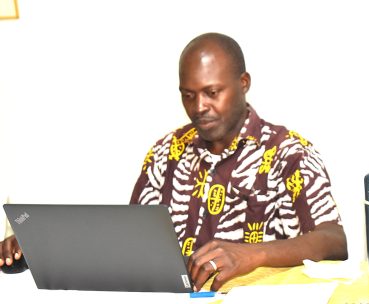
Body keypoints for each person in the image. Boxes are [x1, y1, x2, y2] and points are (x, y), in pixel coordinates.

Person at [0, 33, 348, 291]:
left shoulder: (289, 153)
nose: (199, 107)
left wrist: (251, 254)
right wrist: (37, 246)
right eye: (188, 95)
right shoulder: (166, 151)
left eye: (213, 93)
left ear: (243, 84)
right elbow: (129, 243)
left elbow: (334, 240)